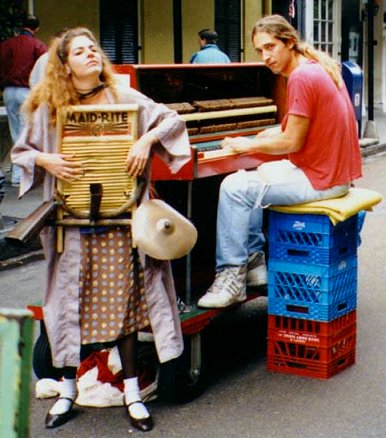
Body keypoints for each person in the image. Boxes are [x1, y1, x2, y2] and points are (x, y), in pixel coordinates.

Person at [11, 27, 190, 432]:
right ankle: (68, 390)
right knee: (71, 304)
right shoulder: (49, 108)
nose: (92, 54)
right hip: (71, 223)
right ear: (65, 65)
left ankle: (131, 391)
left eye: (94, 48)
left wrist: (145, 141)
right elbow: (21, 152)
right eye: (80, 51)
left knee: (123, 306)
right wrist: (47, 160)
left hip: (120, 220)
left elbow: (171, 119)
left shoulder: (124, 98)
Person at [197, 14, 362, 309]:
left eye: (270, 47)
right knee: (254, 171)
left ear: (289, 42)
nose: (265, 57)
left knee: (234, 187)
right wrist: (266, 134)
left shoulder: (300, 76)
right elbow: (299, 127)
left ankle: (232, 277)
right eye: (260, 51)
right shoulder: (315, 67)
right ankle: (255, 263)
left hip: (321, 180)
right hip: (333, 174)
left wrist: (248, 142)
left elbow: (291, 142)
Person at [0, 15, 47, 186]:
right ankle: (20, 177)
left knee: (15, 133)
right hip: (27, 91)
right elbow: (44, 68)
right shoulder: (38, 45)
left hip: (8, 91)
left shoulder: (7, 44)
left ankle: (17, 175)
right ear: (36, 29)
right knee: (26, 133)